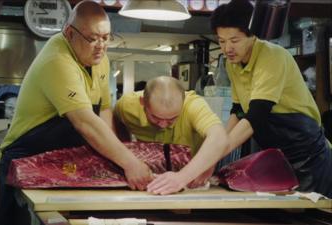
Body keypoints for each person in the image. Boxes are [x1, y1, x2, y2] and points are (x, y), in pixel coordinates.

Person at [0, 1, 152, 225]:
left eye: (106, 37)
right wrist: (131, 163)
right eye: (92, 38)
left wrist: (115, 160)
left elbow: (104, 111)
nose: (101, 46)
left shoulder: (101, 60)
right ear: (70, 33)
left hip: (65, 164)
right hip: (24, 161)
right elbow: (85, 122)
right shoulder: (57, 60)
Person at [211, 0, 332, 197]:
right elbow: (238, 111)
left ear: (252, 36)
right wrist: (216, 150)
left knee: (311, 212)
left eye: (234, 40)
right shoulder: (232, 64)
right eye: (221, 41)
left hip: (306, 152)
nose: (227, 49)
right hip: (275, 152)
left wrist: (214, 155)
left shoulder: (272, 56)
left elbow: (256, 115)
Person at [114, 76, 229, 195]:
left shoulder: (194, 104)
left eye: (172, 119)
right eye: (156, 118)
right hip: (146, 181)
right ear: (143, 102)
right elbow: (116, 125)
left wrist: (182, 177)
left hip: (191, 180)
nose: (163, 125)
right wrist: (127, 158)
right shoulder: (127, 106)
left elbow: (219, 138)